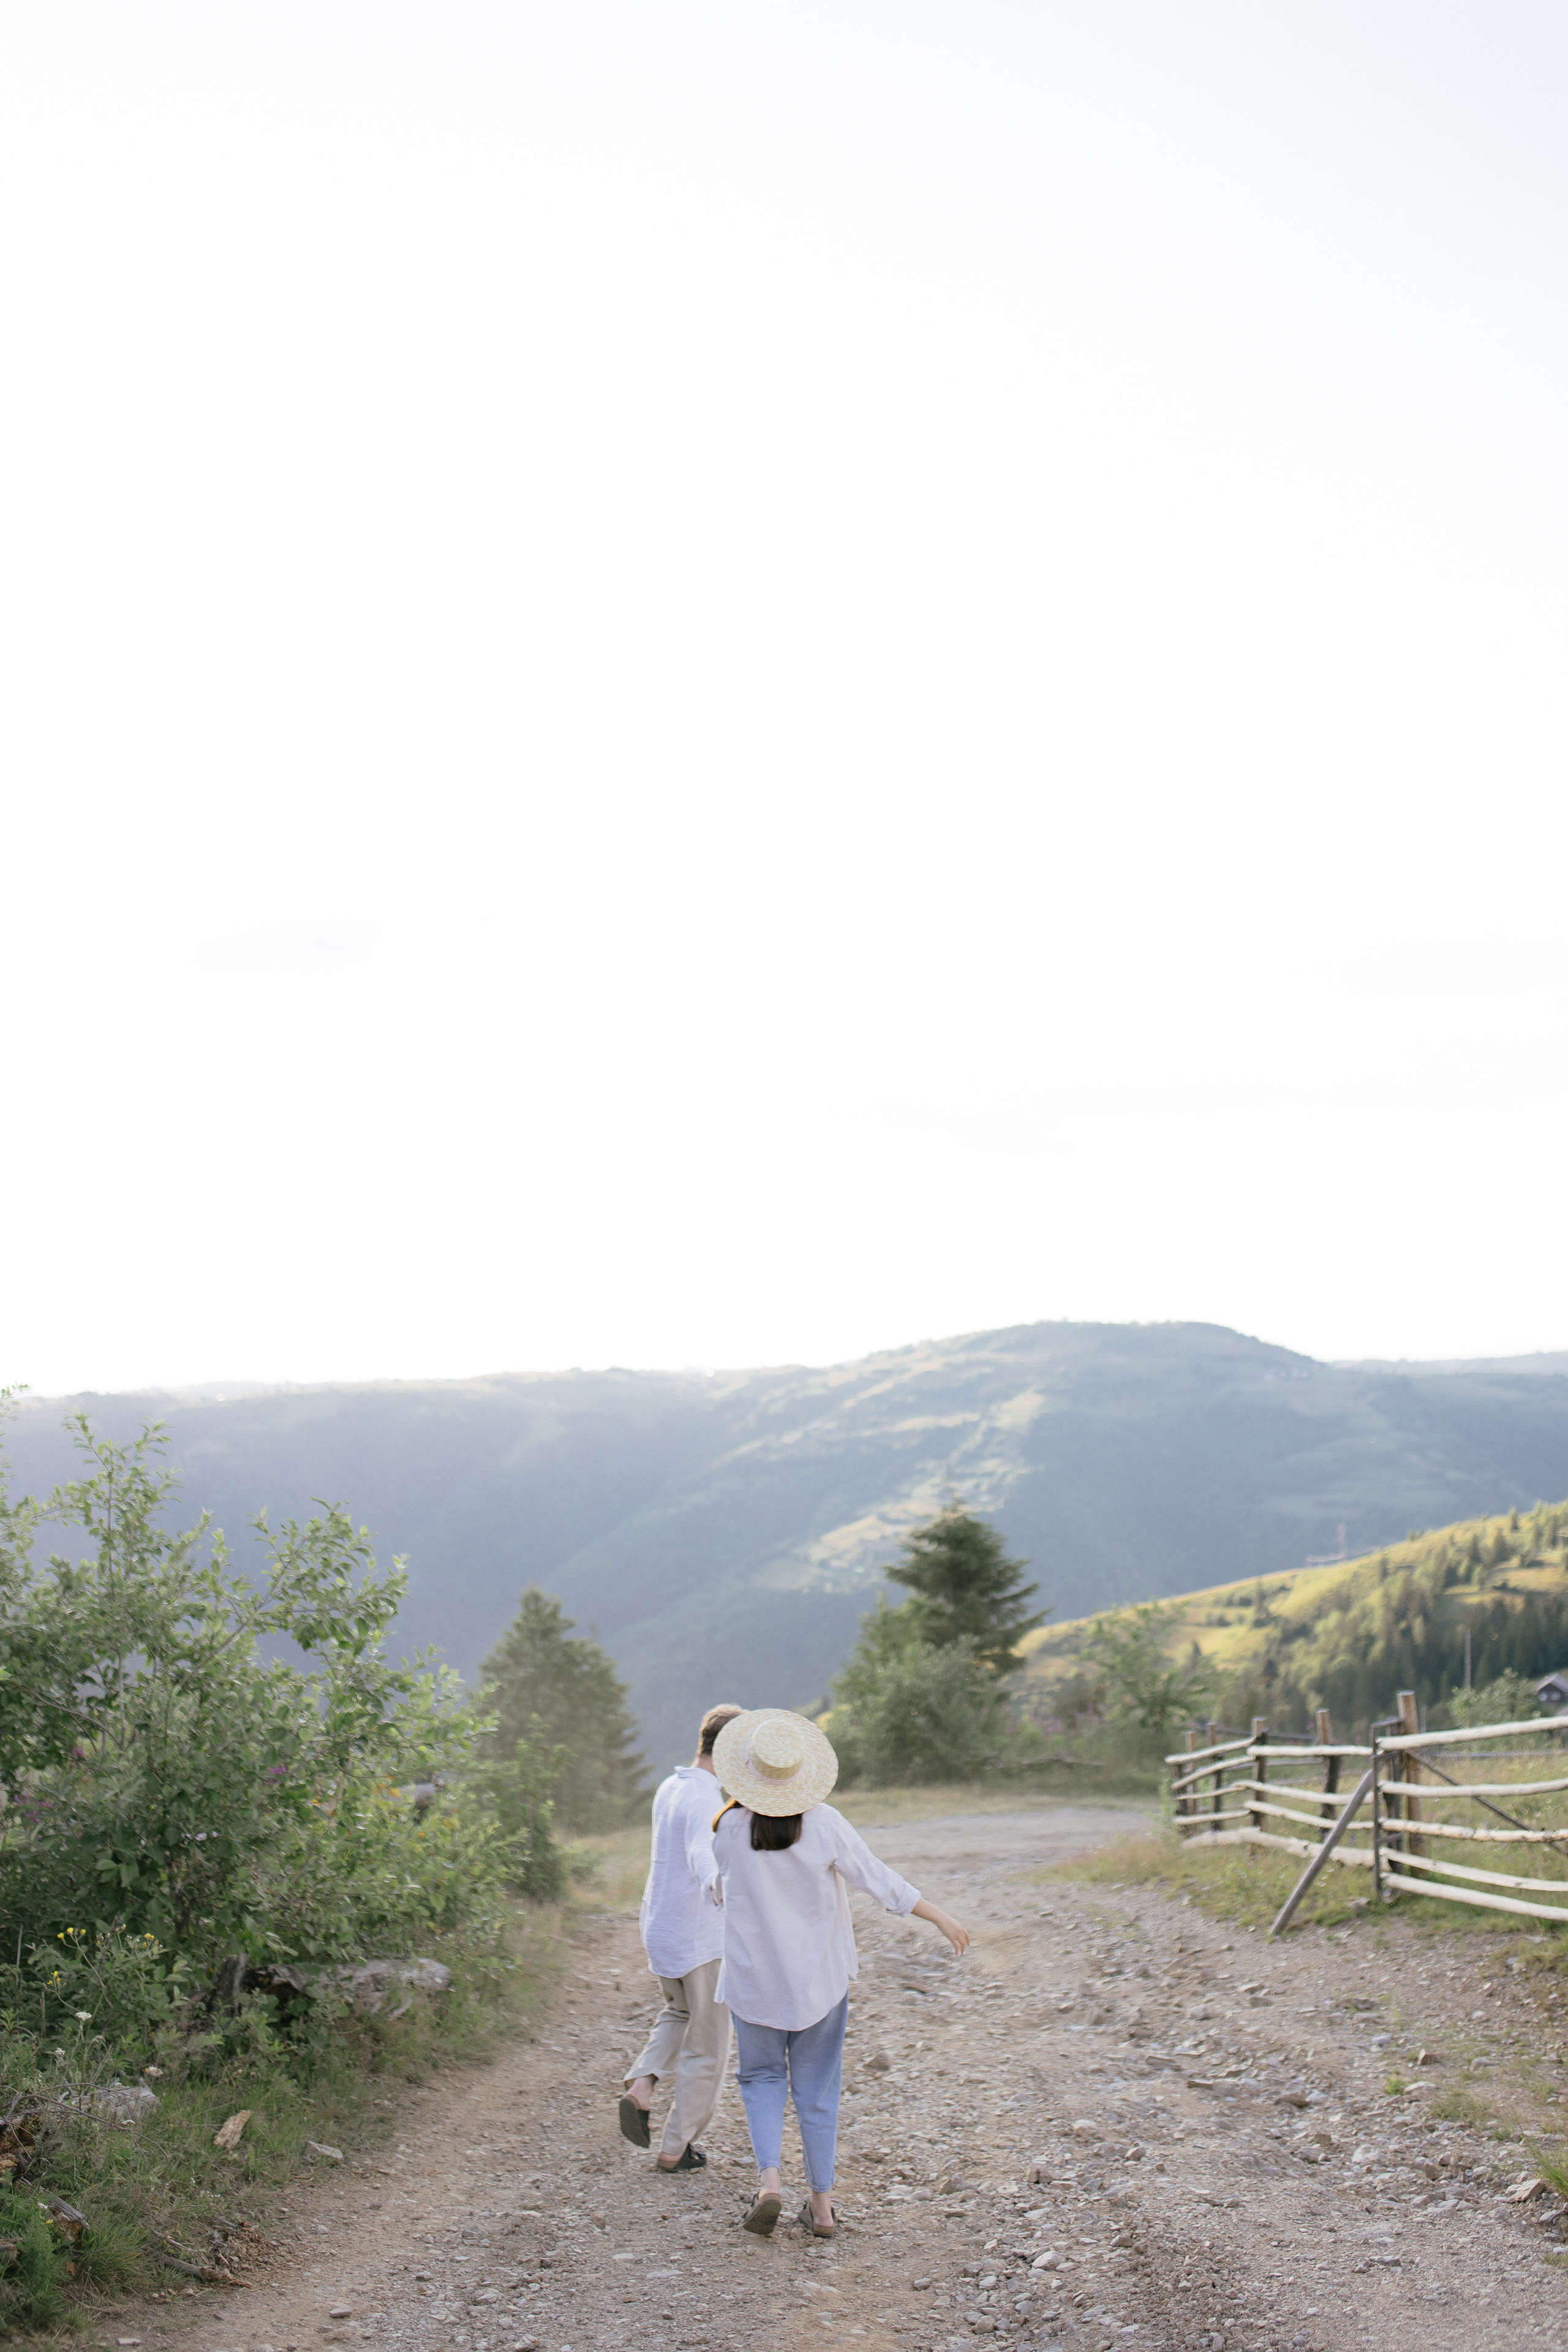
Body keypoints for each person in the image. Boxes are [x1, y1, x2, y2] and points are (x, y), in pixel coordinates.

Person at [709, 1706, 970, 2239]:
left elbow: (718, 1887)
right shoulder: (825, 1824)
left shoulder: (728, 1829)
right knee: (818, 2091)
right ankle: (822, 2208)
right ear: (800, 1775)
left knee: (760, 2079)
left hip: (754, 1985)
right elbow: (880, 1881)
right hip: (817, 1985)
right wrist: (938, 1915)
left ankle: (770, 2184)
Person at [619, 1702, 745, 2172]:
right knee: (709, 2047)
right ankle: (677, 2146)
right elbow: (700, 1850)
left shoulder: (671, 1786)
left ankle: (642, 2083)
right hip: (698, 1939)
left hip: (662, 1929)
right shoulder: (706, 1800)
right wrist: (722, 1888)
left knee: (678, 2011)